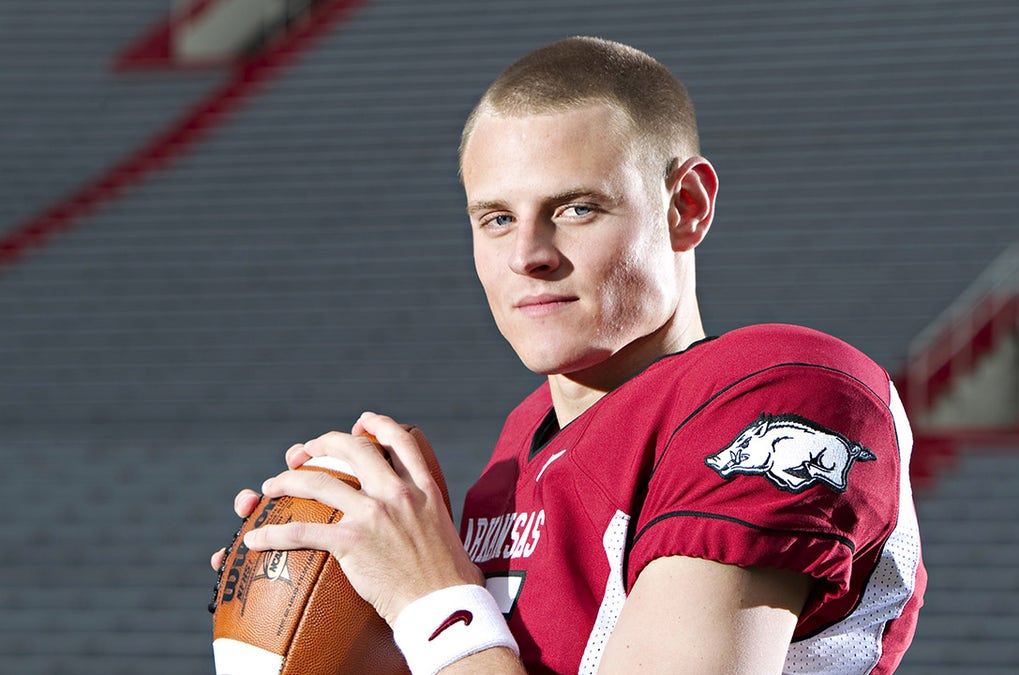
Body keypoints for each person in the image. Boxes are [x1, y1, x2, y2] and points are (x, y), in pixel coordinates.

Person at [212, 36, 925, 674]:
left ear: (687, 206)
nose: (529, 256)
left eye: (576, 208)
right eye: (496, 219)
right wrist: (353, 635)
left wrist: (429, 599)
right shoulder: (516, 454)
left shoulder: (778, 389)